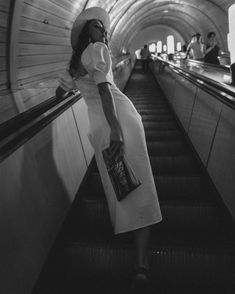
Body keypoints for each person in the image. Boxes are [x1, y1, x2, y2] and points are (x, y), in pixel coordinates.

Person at [55, 7, 162, 292]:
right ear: (86, 31)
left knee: (122, 184)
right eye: (96, 26)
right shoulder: (98, 49)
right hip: (118, 123)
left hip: (100, 128)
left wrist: (75, 84)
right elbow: (104, 89)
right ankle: (141, 265)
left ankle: (139, 261)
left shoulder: (75, 62)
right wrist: (116, 130)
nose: (102, 31)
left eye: (103, 27)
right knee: (138, 187)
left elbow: (61, 91)